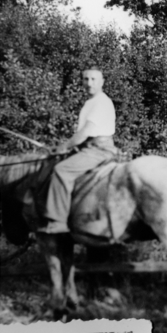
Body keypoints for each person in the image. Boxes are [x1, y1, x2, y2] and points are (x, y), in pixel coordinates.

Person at [38, 67, 117, 234]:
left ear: (102, 82)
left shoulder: (101, 102)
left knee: (61, 170)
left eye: (93, 79)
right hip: (90, 147)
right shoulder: (91, 102)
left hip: (98, 149)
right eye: (85, 79)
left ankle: (57, 222)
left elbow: (86, 132)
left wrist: (64, 147)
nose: (89, 83)